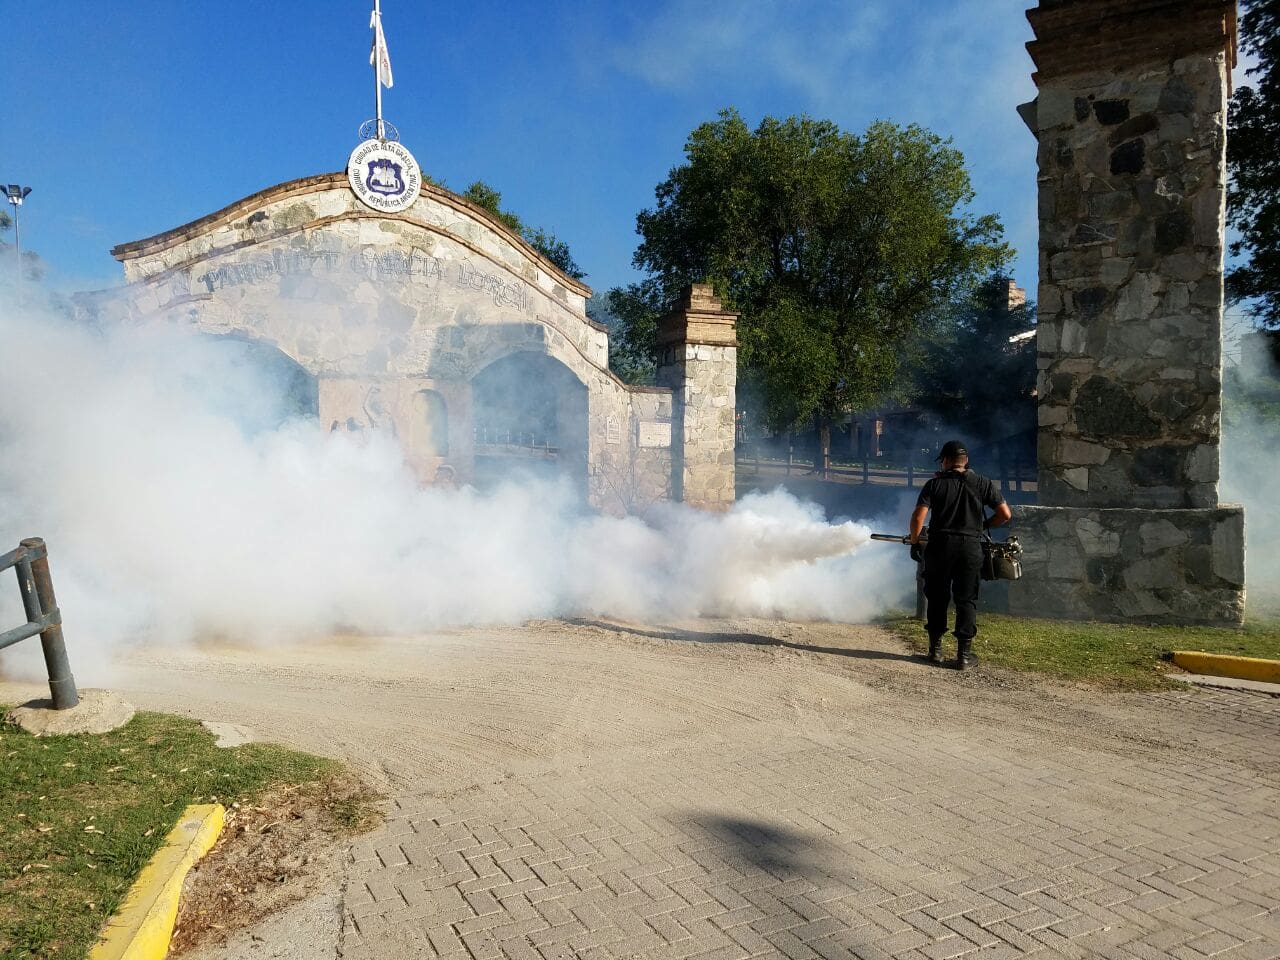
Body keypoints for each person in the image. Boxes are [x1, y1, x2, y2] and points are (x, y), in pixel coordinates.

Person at [908, 440, 1013, 670]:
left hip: (940, 546)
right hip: (970, 548)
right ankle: (963, 657)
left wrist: (915, 543)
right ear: (966, 462)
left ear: (945, 460)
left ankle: (935, 651)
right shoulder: (983, 483)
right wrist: (983, 525)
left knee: (937, 597)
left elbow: (918, 518)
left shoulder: (934, 485)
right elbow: (1005, 514)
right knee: (966, 600)